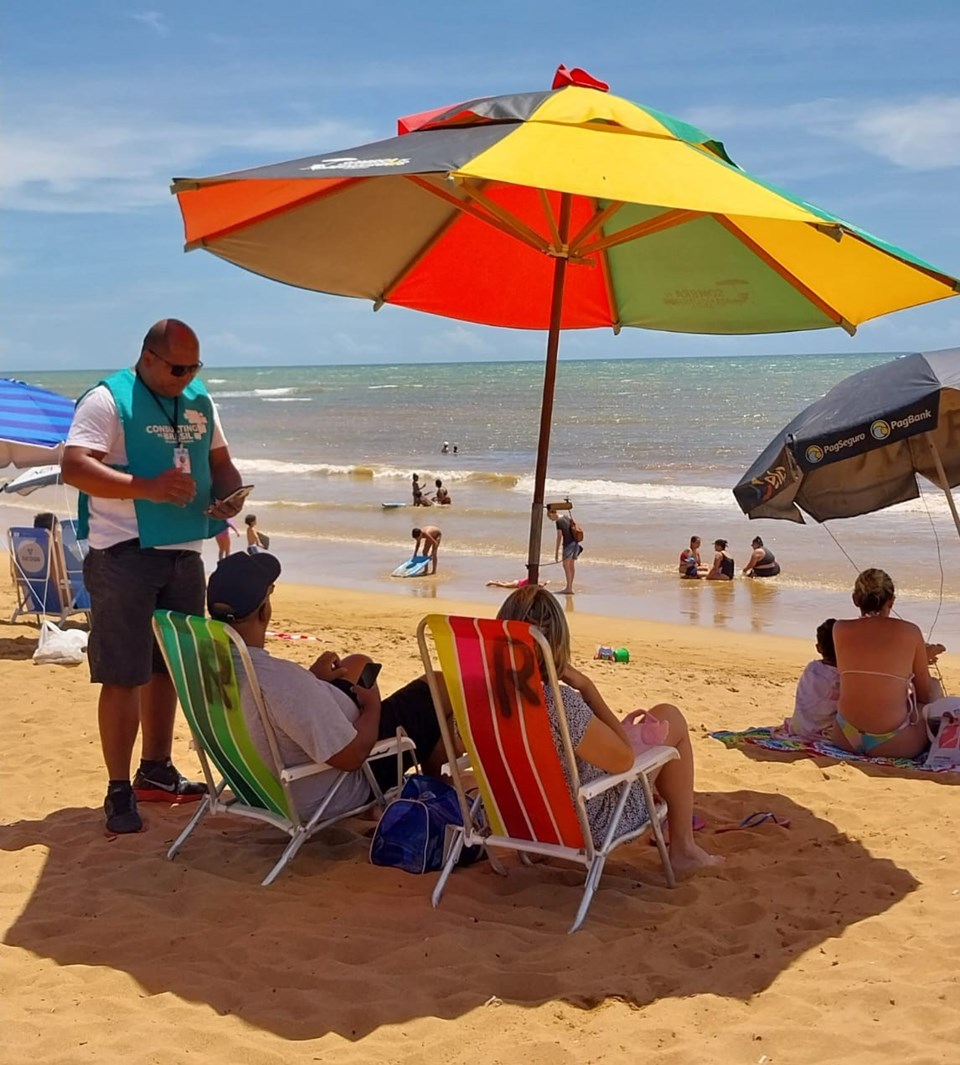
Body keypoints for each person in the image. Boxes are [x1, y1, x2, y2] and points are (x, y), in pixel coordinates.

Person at [62, 318, 244, 834]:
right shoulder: (106, 400)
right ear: (148, 358)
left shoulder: (200, 401)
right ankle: (118, 788)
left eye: (195, 367)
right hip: (122, 552)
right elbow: (74, 467)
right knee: (123, 672)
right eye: (177, 368)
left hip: (184, 552)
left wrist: (227, 496)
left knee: (170, 671)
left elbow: (222, 463)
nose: (186, 377)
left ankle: (156, 771)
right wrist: (147, 487)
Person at [206, 551, 455, 821]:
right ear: (264, 610)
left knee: (359, 663)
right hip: (336, 788)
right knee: (439, 686)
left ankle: (431, 779)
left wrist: (313, 681)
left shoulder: (204, 667)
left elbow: (280, 708)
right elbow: (351, 758)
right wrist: (371, 705)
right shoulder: (280, 680)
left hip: (260, 786)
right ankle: (435, 783)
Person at [496, 586, 722, 879]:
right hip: (588, 824)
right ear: (556, 643)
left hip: (519, 819)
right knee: (672, 718)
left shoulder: (481, 698)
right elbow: (625, 759)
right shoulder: (560, 705)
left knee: (660, 718)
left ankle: (539, 850)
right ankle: (683, 850)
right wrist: (587, 688)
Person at [830, 568, 941, 758]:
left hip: (844, 736)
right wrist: (921, 658)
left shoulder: (839, 629)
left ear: (855, 599)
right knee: (933, 689)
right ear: (891, 601)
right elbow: (923, 693)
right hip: (894, 743)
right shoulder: (910, 631)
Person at [786, 618, 839, 739]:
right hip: (822, 732)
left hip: (799, 727)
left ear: (818, 648)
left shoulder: (812, 668)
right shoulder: (841, 675)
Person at [547, 506, 581, 595]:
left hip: (568, 545)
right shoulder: (566, 517)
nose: (551, 520)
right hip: (575, 544)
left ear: (551, 513)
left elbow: (559, 536)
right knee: (571, 566)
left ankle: (568, 588)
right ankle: (570, 587)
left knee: (566, 566)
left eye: (550, 517)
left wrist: (556, 552)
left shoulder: (558, 521)